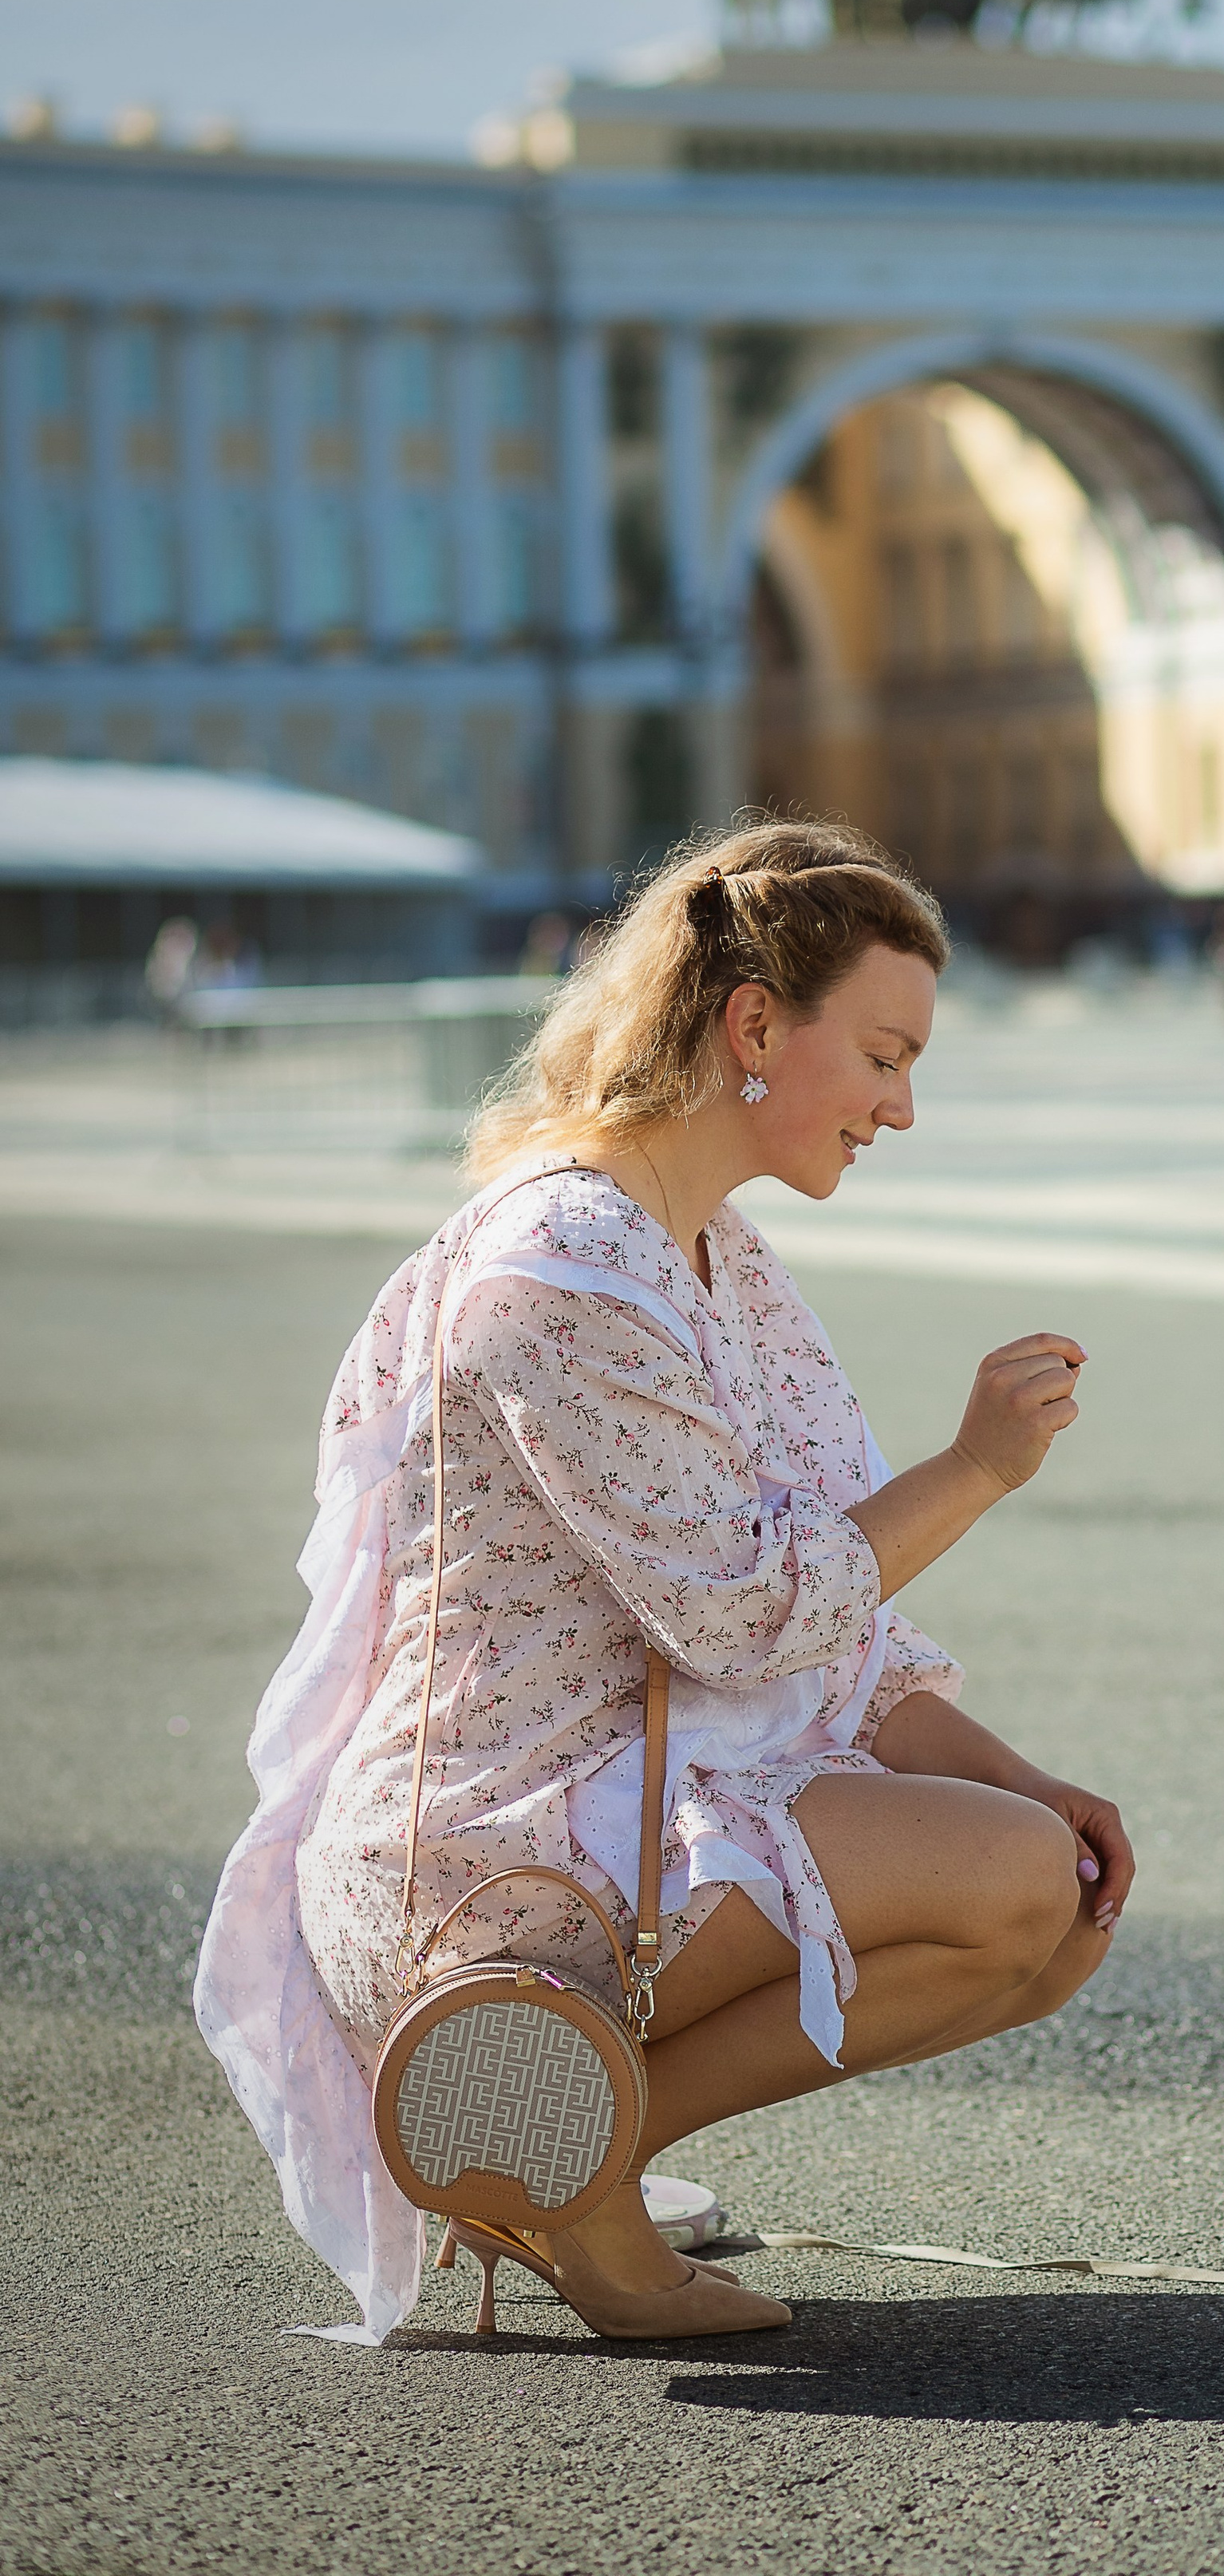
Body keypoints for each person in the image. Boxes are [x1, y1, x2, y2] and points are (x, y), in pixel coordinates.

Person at [195, 820, 1130, 2345]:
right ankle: (557, 2170)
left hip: (621, 1804)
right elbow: (753, 1612)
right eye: (883, 1056)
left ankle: (563, 2156)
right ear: (755, 1026)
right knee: (1009, 1881)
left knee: (1061, 1905)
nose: (902, 1106)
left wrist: (1035, 1784)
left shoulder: (708, 1249)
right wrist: (973, 1469)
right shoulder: (560, 1270)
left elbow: (837, 1636)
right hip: (484, 1860)